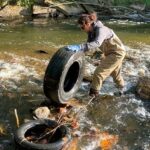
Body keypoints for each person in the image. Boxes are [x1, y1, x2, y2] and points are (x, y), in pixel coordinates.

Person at [67, 15, 126, 97]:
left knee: (99, 73)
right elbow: (88, 46)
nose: (82, 29)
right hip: (109, 53)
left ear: (88, 24)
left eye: (82, 27)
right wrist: (76, 54)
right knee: (115, 74)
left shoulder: (101, 29)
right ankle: (122, 89)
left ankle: (93, 94)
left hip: (117, 53)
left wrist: (79, 46)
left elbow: (97, 43)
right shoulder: (91, 32)